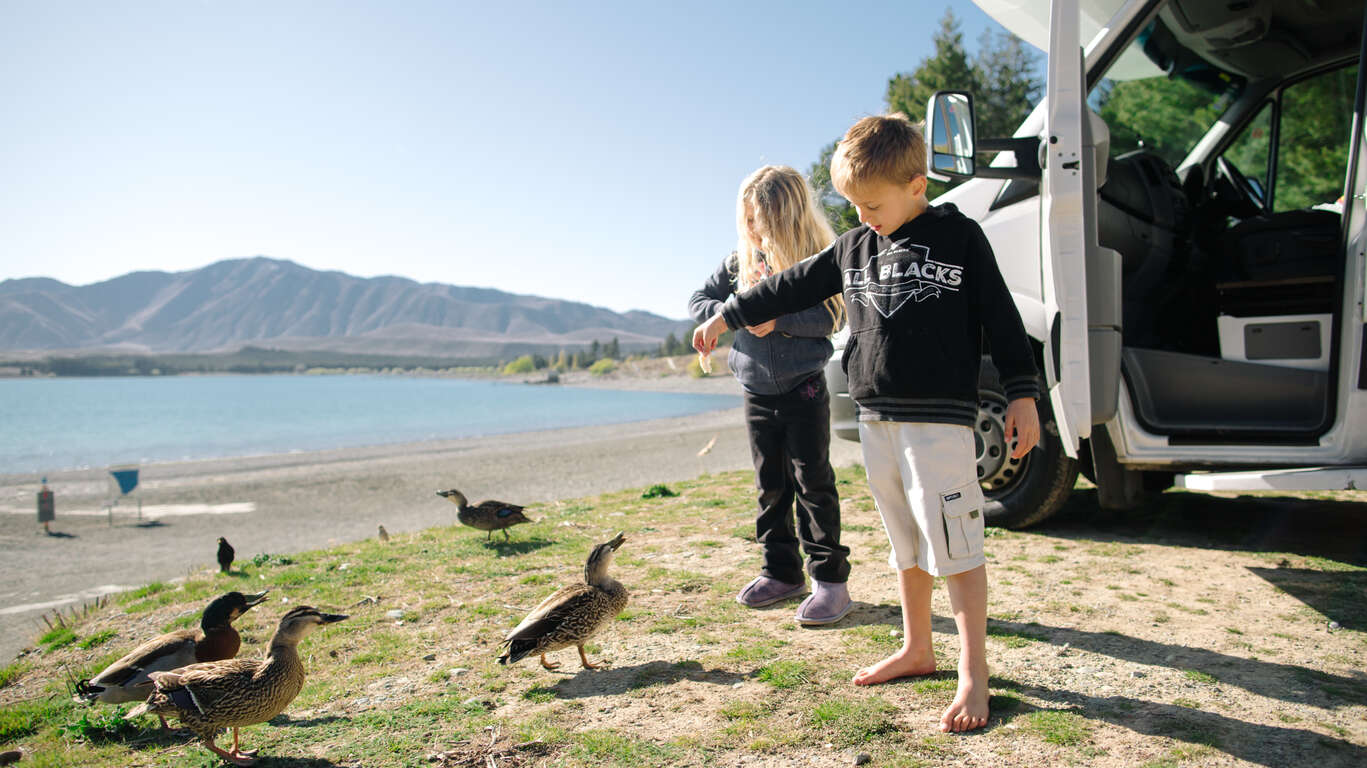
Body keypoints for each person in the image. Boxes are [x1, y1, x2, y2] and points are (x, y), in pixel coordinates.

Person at [693, 115, 1041, 733]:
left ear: (917, 186)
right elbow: (791, 283)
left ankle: (973, 672)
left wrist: (1021, 394)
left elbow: (1004, 319)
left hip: (939, 421)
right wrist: (728, 314)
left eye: (872, 204)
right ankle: (917, 647)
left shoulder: (959, 238)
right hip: (878, 415)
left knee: (955, 545)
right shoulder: (856, 244)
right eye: (853, 205)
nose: (864, 216)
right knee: (904, 540)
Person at [688, 165, 853, 626]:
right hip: (755, 389)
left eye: (758, 218)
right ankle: (781, 572)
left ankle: (830, 581)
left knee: (813, 484)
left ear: (786, 215)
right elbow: (698, 299)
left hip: (803, 386)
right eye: (745, 219)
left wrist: (777, 318)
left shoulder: (817, 257)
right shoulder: (739, 261)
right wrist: (731, 314)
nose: (751, 228)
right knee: (770, 487)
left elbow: (832, 318)